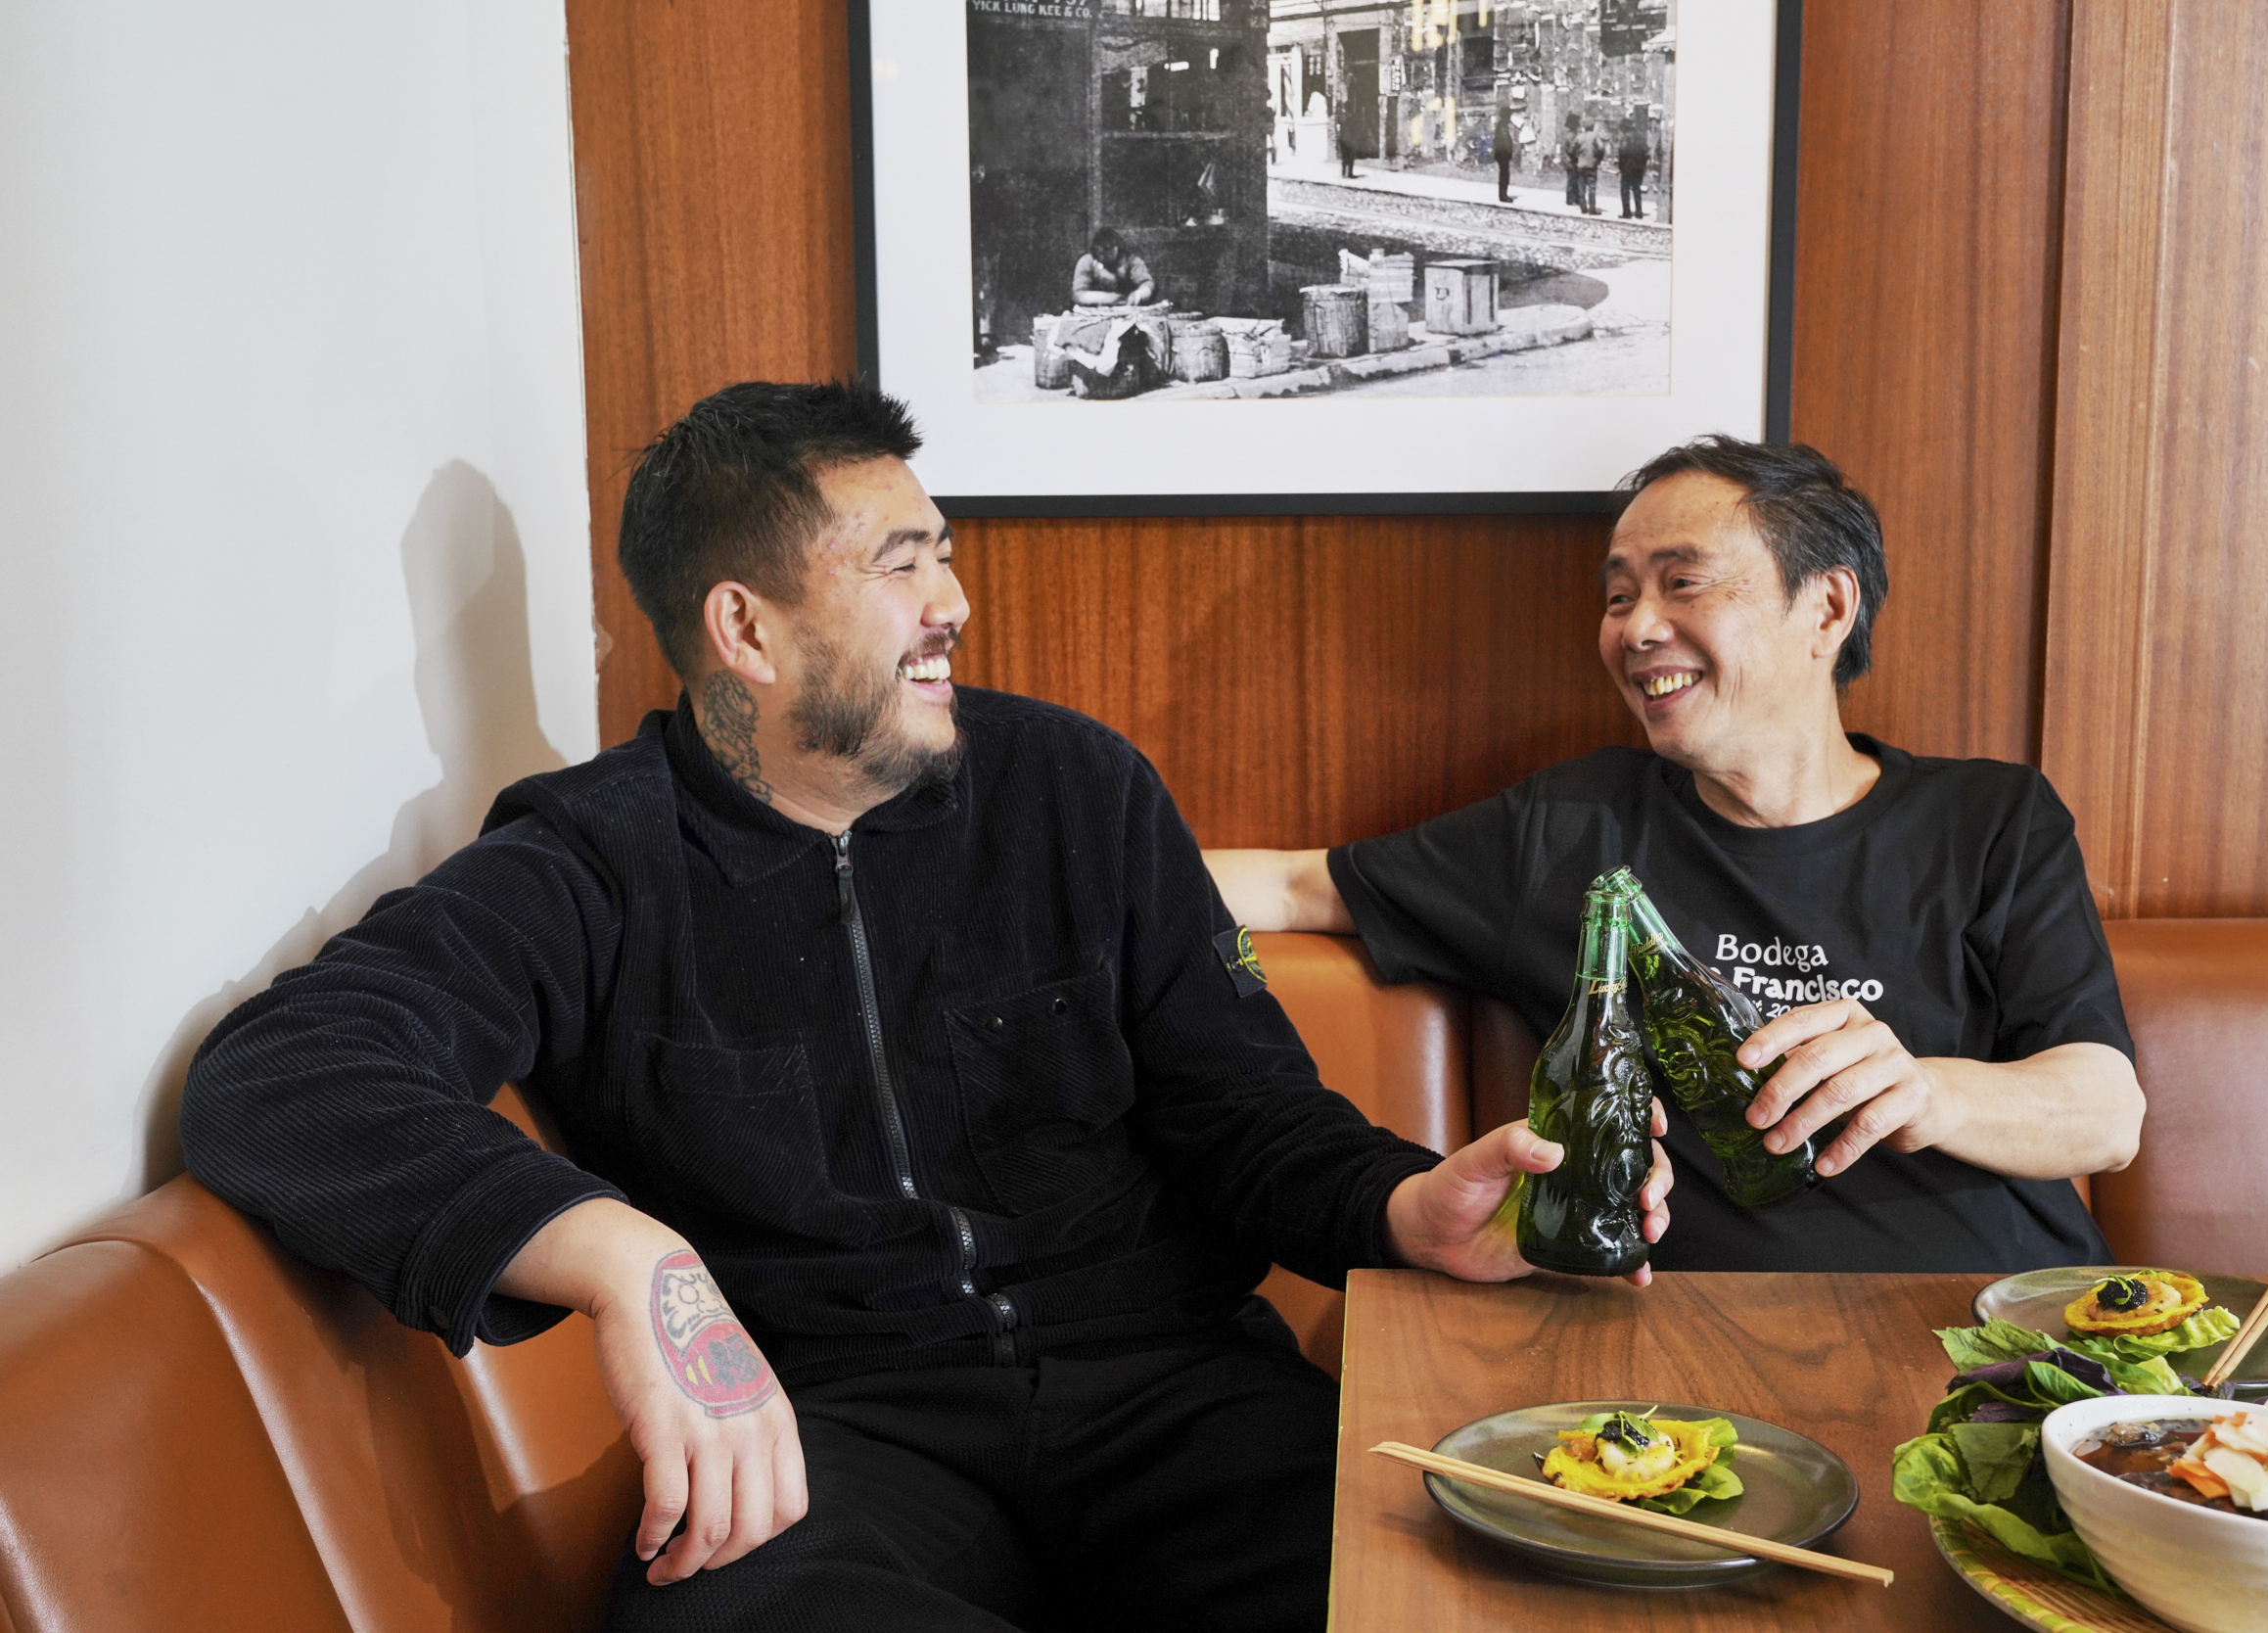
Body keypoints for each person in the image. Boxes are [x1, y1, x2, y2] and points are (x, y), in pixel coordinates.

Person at [179, 380, 1671, 1633]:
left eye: (942, 553)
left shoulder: (1073, 789)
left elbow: (1248, 1117)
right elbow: (282, 1074)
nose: (956, 604)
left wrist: (1409, 1209)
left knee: (1469, 1590)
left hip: (1178, 1398)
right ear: (746, 631)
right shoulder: (590, 863)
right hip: (843, 1435)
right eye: (902, 565)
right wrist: (628, 1258)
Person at [1207, 436, 2144, 1278]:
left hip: (2004, 1327)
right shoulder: (1571, 828)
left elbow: (2107, 1114)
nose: (1634, 628)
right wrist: (1081, 867)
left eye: (1681, 583)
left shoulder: (1989, 819)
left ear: (1826, 606)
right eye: (1620, 596)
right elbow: (1291, 886)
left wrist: (1923, 1090)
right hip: (1695, 1365)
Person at [1070, 227, 1153, 307]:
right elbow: (1078, 294)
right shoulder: (1086, 261)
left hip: (1127, 308)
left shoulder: (1131, 261)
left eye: (1108, 251)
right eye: (1100, 253)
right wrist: (1107, 298)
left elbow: (1147, 283)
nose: (1103, 257)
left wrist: (1140, 293)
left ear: (1117, 248)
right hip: (1092, 312)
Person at [1618, 114, 1652, 219]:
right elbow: (1646, 153)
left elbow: (1622, 153)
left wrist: (1621, 166)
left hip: (1627, 169)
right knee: (1637, 190)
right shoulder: (1640, 138)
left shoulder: (1624, 139)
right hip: (1638, 169)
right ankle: (1639, 212)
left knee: (1625, 191)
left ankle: (1626, 212)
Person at [1559, 113, 1587, 211]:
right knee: (1572, 179)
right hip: (1570, 161)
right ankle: (1571, 198)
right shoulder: (1571, 136)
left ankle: (1573, 198)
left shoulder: (1572, 135)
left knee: (1573, 178)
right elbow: (1572, 150)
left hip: (1570, 160)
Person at [1493, 102, 1516, 204]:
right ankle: (1503, 195)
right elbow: (1505, 141)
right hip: (1503, 154)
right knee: (1504, 175)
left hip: (1501, 153)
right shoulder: (1503, 126)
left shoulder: (1501, 125)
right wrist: (1509, 151)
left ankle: (1503, 194)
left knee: (1503, 174)